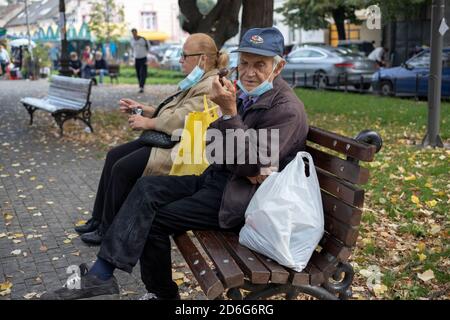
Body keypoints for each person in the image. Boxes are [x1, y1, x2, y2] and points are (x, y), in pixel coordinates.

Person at [42, 27, 309, 300]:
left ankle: (153, 292)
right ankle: (103, 275)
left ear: (279, 67)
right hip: (219, 179)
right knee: (146, 187)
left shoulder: (284, 109)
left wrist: (230, 118)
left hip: (241, 201)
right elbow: (214, 148)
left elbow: (250, 166)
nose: (249, 72)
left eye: (260, 65)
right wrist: (238, 151)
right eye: (245, 63)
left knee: (153, 219)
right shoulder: (245, 95)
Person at [74, 33, 229, 246]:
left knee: (122, 168)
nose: (180, 60)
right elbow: (173, 110)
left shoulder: (212, 85)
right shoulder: (200, 80)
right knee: (113, 156)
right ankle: (98, 219)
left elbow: (181, 119)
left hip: (181, 149)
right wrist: (142, 109)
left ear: (202, 58)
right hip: (169, 139)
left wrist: (146, 123)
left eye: (184, 55)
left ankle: (107, 230)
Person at [130, 28, 149, 93]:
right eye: (133, 33)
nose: (134, 34)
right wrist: (132, 58)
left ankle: (142, 86)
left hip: (143, 58)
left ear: (137, 32)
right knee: (138, 73)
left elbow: (148, 47)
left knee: (142, 73)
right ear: (132, 33)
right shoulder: (132, 40)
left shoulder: (142, 39)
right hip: (136, 58)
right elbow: (132, 49)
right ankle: (140, 86)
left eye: (135, 32)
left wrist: (147, 58)